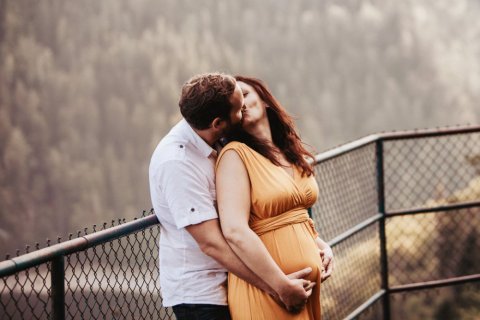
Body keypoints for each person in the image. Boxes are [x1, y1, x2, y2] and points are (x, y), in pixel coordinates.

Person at [149, 73, 316, 320]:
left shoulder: (215, 138)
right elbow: (211, 243)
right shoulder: (178, 163)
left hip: (234, 280)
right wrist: (277, 287)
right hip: (203, 295)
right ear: (218, 123)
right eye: (238, 109)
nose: (243, 110)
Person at [215, 76, 334, 319]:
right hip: (270, 291)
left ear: (264, 98)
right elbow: (234, 230)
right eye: (234, 104)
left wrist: (321, 245)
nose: (242, 104)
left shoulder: (289, 151)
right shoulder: (234, 155)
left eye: (245, 94)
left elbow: (293, 216)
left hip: (304, 290)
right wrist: (279, 286)